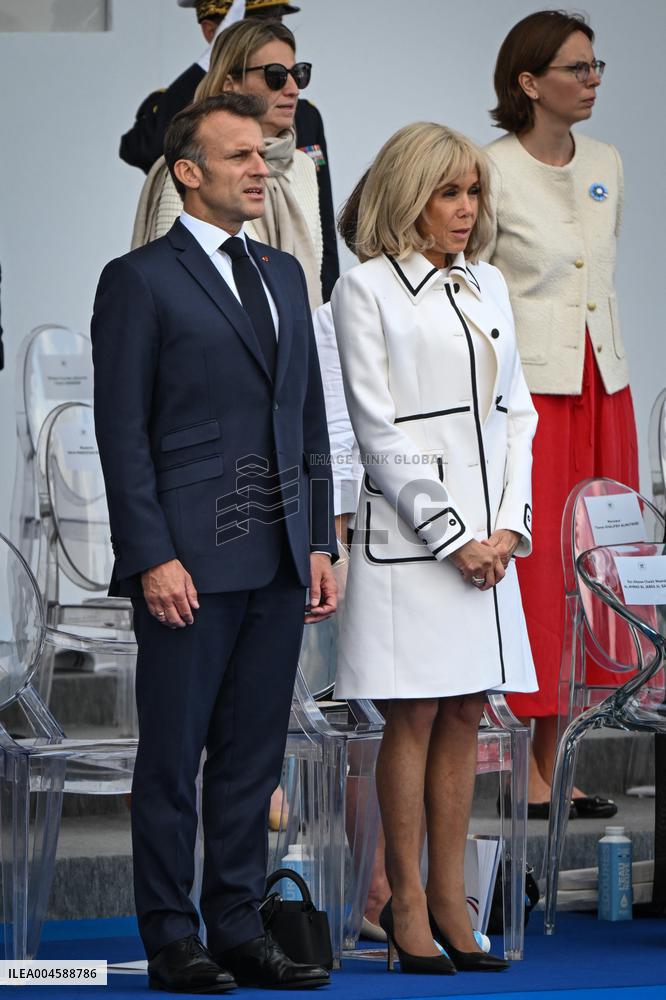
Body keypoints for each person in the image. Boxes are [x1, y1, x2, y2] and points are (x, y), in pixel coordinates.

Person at [92, 92, 337, 994]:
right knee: (173, 758)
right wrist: (151, 554)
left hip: (277, 555)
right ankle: (170, 938)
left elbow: (304, 416)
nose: (260, 167)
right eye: (239, 155)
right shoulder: (139, 279)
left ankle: (237, 929)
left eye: (263, 154)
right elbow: (123, 432)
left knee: (250, 759)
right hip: (186, 560)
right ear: (188, 172)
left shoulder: (282, 274)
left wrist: (319, 541)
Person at [331, 121, 537, 973]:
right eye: (449, 192)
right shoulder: (366, 290)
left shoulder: (489, 282)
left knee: (466, 710)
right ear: (407, 195)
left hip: (490, 546)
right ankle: (405, 901)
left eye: (474, 191)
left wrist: (510, 529)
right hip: (415, 545)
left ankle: (454, 903)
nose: (466, 208)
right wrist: (454, 536)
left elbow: (516, 416)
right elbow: (378, 431)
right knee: (412, 714)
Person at [485, 9, 636, 819]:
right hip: (534, 394)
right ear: (529, 82)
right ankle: (526, 768)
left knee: (595, 572)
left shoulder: (609, 159)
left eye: (596, 66)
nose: (592, 81)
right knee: (540, 575)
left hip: (602, 385)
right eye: (577, 68)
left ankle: (560, 760)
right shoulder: (489, 167)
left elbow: (598, 273)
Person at [120, 0, 340, 300]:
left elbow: (321, 247)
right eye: (274, 75)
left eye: (298, 73)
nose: (293, 88)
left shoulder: (300, 154)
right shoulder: (192, 161)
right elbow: (172, 287)